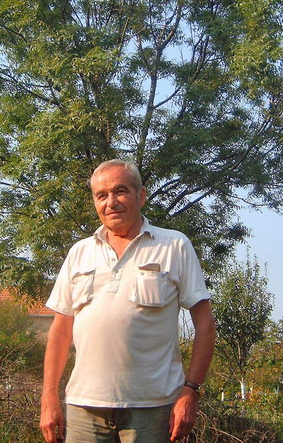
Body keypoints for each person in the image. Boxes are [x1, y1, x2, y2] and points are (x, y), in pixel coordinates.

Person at [40, 159, 216, 443]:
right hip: (84, 407)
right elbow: (60, 331)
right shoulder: (79, 252)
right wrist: (48, 396)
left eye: (120, 191)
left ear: (141, 196)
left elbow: (205, 324)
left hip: (154, 408)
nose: (111, 202)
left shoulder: (174, 246)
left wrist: (191, 390)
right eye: (101, 195)